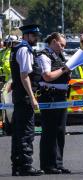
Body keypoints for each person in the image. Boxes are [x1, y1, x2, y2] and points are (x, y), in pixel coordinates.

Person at [10, 24, 44, 176]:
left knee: (19, 132)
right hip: (24, 97)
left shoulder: (20, 49)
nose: (37, 38)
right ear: (26, 35)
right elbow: (24, 76)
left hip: (20, 96)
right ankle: (25, 166)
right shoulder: (24, 50)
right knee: (26, 132)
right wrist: (32, 97)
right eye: (34, 36)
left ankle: (18, 165)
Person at [38, 32, 71, 174]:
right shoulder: (44, 55)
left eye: (64, 45)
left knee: (60, 132)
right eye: (61, 44)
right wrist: (64, 69)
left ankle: (58, 163)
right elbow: (47, 76)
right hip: (50, 97)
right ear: (53, 42)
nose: (63, 48)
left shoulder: (60, 56)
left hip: (61, 97)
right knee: (49, 132)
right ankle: (48, 165)